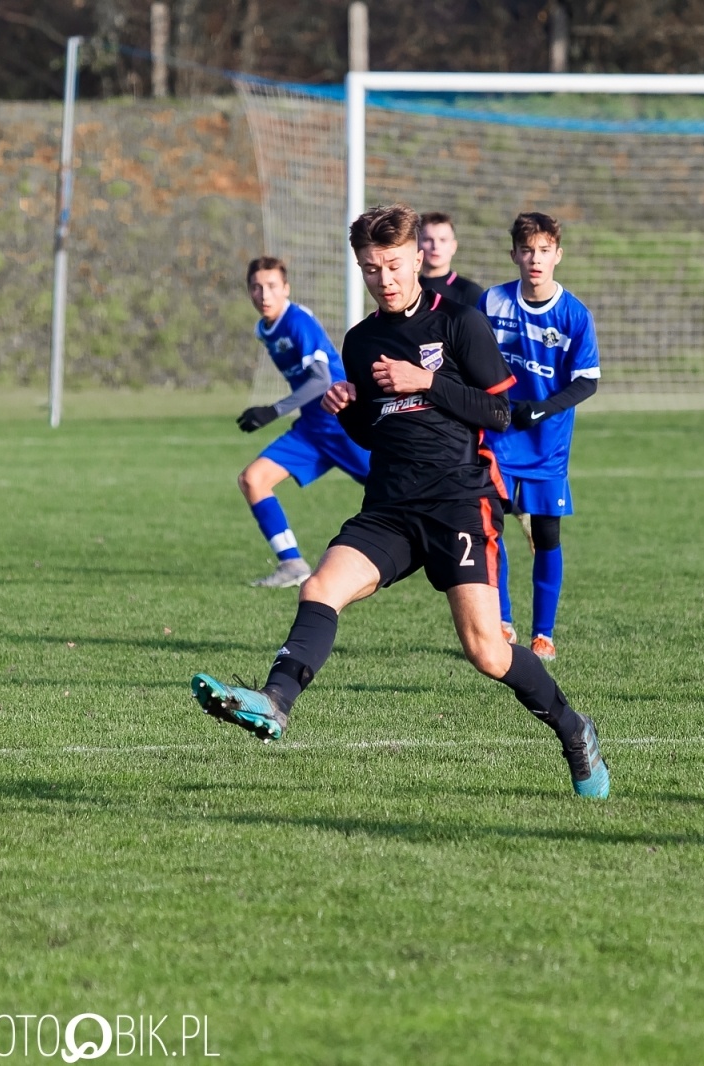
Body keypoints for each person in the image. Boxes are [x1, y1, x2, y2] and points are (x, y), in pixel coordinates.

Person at [190, 203, 608, 799]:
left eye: (391, 265)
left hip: (460, 501)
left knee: (489, 651)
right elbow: (375, 428)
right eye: (369, 269)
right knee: (320, 588)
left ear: (417, 258)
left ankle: (574, 730)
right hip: (389, 505)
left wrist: (426, 381)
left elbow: (499, 412)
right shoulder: (359, 341)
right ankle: (274, 702)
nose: (382, 279)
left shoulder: (462, 322)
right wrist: (349, 409)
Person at [481, 212, 601, 659]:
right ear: (514, 254)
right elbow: (469, 358)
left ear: (558, 256)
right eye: (527, 250)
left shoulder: (573, 315)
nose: (535, 259)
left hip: (547, 444)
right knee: (489, 527)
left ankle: (544, 633)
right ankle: (503, 622)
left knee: (547, 536)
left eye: (544, 250)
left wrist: (543, 408)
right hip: (496, 436)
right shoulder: (492, 303)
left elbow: (587, 380)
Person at [236, 257, 371, 588]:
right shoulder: (264, 328)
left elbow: (323, 380)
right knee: (253, 479)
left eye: (271, 287)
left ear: (286, 289)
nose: (263, 294)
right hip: (312, 430)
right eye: (256, 287)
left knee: (400, 492)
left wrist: (274, 410)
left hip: (343, 422)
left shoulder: (297, 321)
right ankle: (292, 564)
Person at [418, 211, 485, 306]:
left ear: (453, 247)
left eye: (443, 240)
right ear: (417, 245)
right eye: (428, 239)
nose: (435, 246)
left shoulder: (470, 292)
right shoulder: (407, 290)